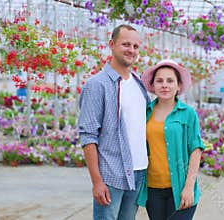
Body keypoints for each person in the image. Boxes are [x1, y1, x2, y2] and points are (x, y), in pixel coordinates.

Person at [78, 24, 151, 220]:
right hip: (111, 174)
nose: (131, 50)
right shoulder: (97, 85)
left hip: (138, 171)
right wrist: (97, 181)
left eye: (136, 46)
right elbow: (88, 136)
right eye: (125, 44)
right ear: (111, 44)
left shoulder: (138, 84)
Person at [137, 59, 205, 220]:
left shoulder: (188, 113)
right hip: (153, 189)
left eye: (170, 80)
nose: (164, 85)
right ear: (152, 86)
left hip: (180, 188)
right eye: (159, 81)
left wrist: (189, 187)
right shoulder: (145, 112)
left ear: (178, 86)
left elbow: (195, 150)